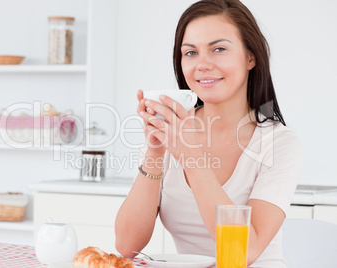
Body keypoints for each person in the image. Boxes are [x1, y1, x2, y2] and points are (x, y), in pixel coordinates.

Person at [115, 0, 304, 267]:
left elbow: (243, 252)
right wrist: (155, 151)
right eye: (190, 53)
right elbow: (126, 245)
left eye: (218, 49)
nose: (202, 64)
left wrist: (191, 157)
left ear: (251, 57)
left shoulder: (279, 144)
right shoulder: (173, 132)